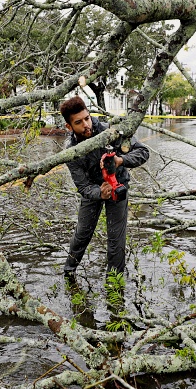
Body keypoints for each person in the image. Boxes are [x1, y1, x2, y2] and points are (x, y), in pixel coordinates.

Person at [59, 96, 149, 280]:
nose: (86, 125)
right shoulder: (70, 151)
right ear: (69, 127)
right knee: (82, 234)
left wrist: (121, 160)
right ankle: (69, 273)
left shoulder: (111, 131)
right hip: (93, 192)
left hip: (118, 187)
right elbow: (83, 186)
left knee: (116, 240)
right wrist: (98, 192)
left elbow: (143, 152)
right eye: (79, 122)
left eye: (87, 118)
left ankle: (114, 283)